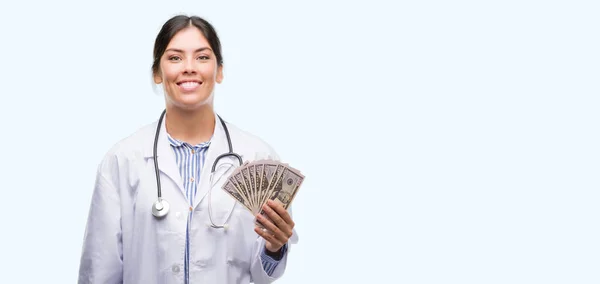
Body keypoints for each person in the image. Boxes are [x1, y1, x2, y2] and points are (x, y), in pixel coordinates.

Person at [78, 14, 298, 284]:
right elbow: (99, 269)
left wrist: (274, 249)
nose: (189, 67)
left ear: (219, 71)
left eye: (203, 57)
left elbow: (263, 275)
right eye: (175, 57)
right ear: (157, 73)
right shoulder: (122, 160)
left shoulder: (256, 157)